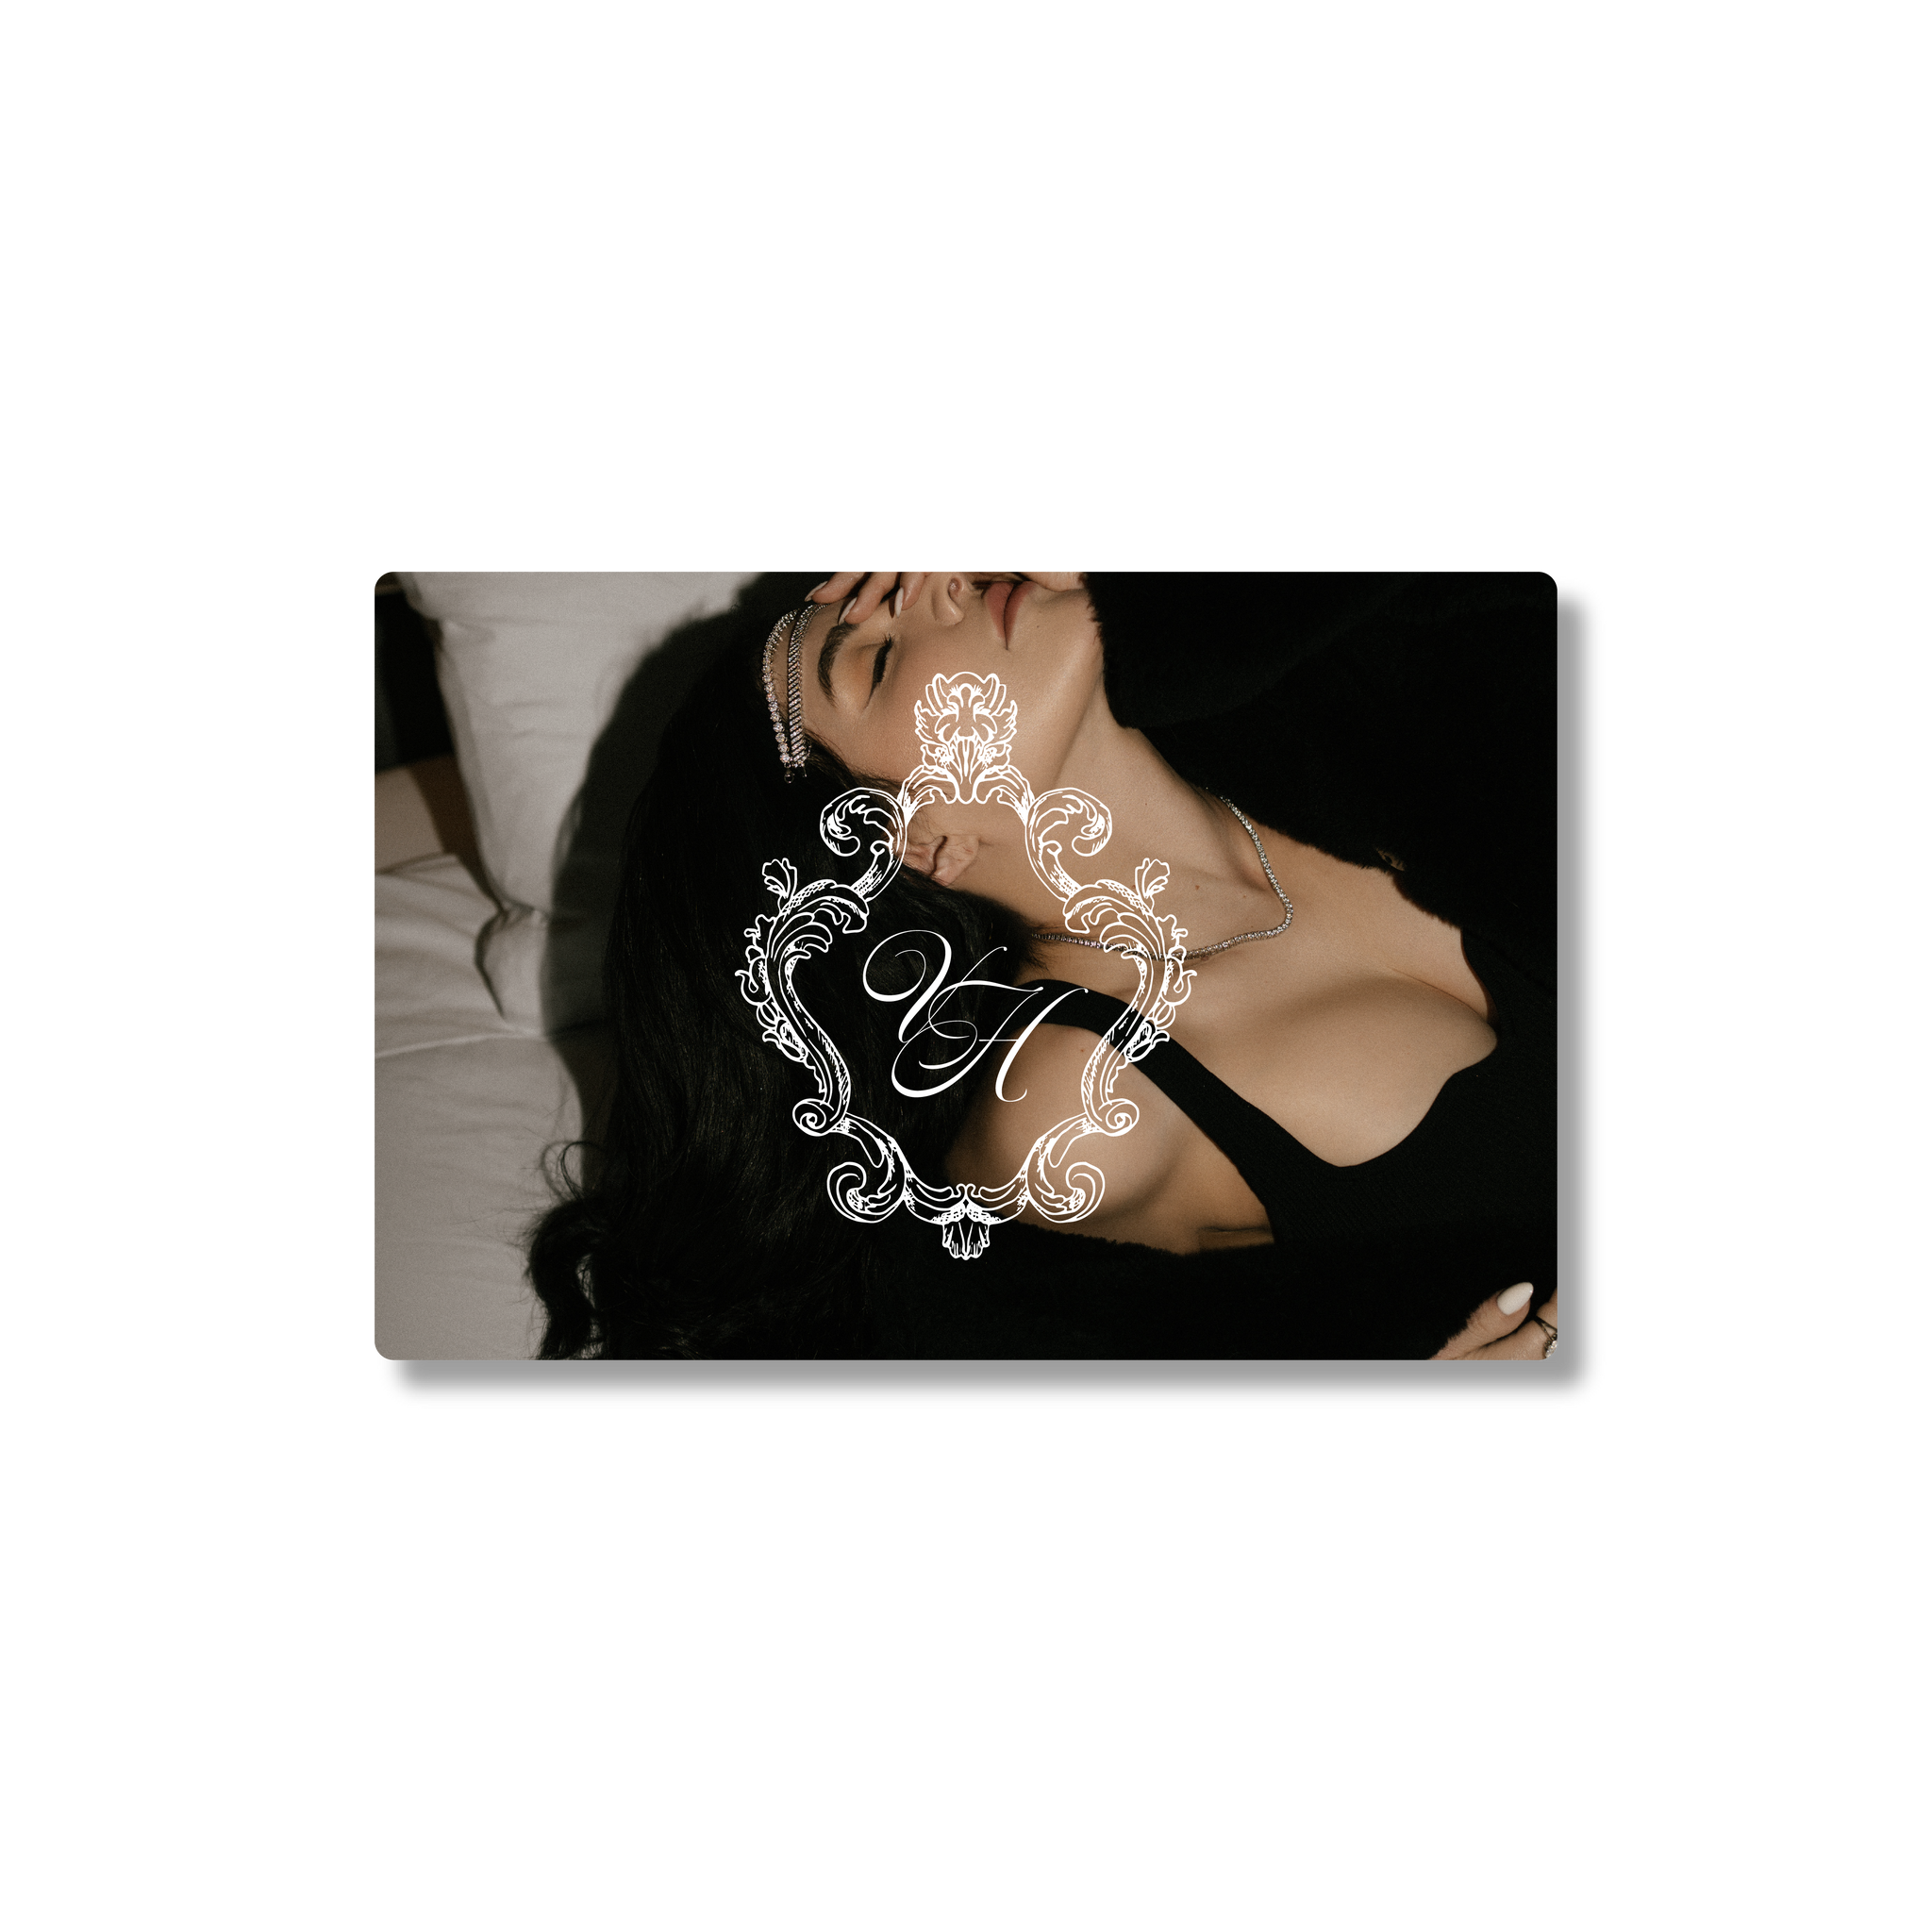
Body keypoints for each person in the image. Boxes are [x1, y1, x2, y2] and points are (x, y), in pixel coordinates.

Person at [526, 570, 1557, 1360]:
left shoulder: (1295, 701)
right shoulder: (1076, 1106)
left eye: (897, 583)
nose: (936, 584)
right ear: (913, 841)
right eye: (875, 662)